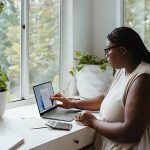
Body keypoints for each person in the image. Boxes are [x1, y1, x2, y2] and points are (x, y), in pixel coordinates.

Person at [51, 27, 150, 150]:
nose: (106, 55)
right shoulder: (122, 69)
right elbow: (104, 99)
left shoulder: (143, 78)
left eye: (108, 50)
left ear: (123, 50)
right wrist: (72, 103)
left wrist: (93, 122)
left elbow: (131, 133)